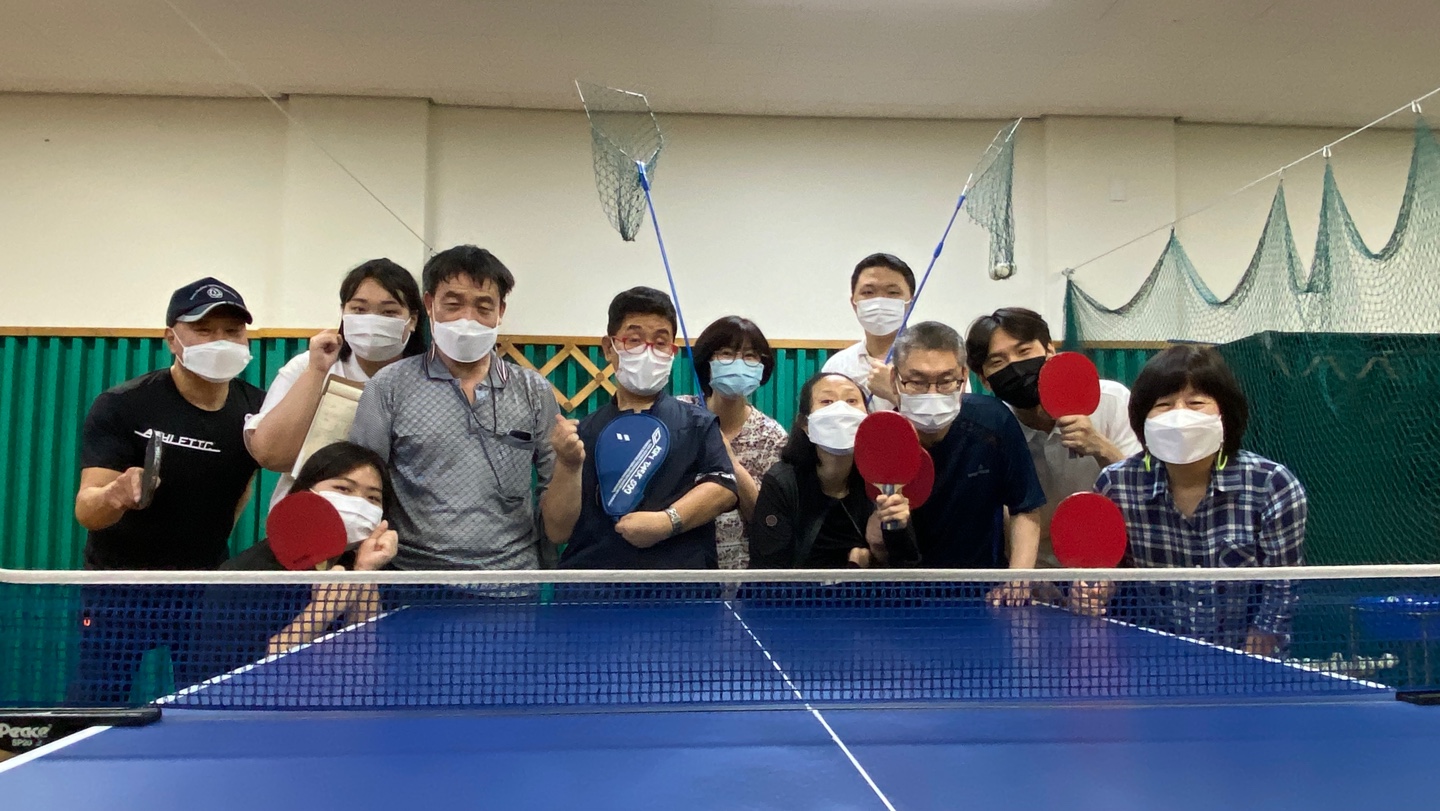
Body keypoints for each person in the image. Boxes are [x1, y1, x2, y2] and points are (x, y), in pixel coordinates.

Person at [69, 277, 266, 704]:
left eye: (232, 331)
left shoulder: (258, 409)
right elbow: (86, 510)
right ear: (171, 338)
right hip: (117, 591)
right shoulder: (123, 405)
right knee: (95, 711)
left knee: (205, 709)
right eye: (204, 329)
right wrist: (114, 496)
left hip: (202, 590)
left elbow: (243, 486)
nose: (220, 341)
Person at [348, 245, 559, 570]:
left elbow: (553, 489)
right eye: (453, 304)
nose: (467, 319)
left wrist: (571, 464)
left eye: (483, 307)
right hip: (411, 579)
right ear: (430, 304)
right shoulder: (388, 385)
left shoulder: (534, 390)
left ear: (500, 311)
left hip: (510, 584)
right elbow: (364, 485)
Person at [1091, 346, 1307, 655]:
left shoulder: (1273, 485)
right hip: (1149, 658)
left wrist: (1251, 662)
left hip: (1244, 661)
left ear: (1224, 414)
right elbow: (1111, 575)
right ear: (1142, 419)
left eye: (1196, 403)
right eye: (1164, 405)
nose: (1179, 416)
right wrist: (1093, 592)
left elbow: (1282, 587)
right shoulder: (1115, 485)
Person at [543, 287, 738, 569]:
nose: (648, 351)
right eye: (634, 340)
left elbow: (723, 487)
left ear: (672, 351)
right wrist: (568, 464)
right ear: (609, 348)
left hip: (679, 586)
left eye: (660, 342)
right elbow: (558, 531)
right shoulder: (582, 434)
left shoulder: (698, 424)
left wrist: (667, 522)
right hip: (595, 585)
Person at [966, 308, 1142, 567]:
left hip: (1116, 560)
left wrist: (1101, 447)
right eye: (998, 362)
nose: (1015, 367)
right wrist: (1026, 577)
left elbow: (1143, 488)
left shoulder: (1111, 400)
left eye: (1024, 352)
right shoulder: (993, 428)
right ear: (985, 380)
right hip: (1037, 567)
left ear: (1050, 351)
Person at [246, 259, 426, 508]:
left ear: (412, 319)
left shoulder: (429, 381)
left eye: (389, 312)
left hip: (392, 523)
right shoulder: (309, 366)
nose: (372, 320)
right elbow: (270, 455)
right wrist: (316, 372)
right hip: (307, 516)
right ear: (343, 312)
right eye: (359, 309)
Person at [889, 322, 1045, 604]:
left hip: (983, 595)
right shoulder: (882, 437)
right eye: (917, 381)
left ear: (963, 377)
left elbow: (1025, 507)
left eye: (946, 380)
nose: (932, 392)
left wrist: (1018, 578)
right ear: (895, 380)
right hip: (901, 596)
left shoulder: (994, 422)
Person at [211, 441, 399, 666]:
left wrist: (364, 572)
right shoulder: (248, 575)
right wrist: (324, 609)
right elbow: (257, 671)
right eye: (343, 489)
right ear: (304, 492)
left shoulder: (359, 563)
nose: (359, 504)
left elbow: (366, 655)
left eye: (373, 498)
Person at [749, 372, 917, 568]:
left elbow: (908, 570)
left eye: (851, 401)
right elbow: (769, 572)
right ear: (805, 424)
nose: (841, 410)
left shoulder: (883, 482)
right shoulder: (782, 483)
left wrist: (893, 535)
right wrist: (852, 570)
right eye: (827, 401)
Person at [677, 316, 788, 569]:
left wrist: (731, 463)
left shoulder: (771, 436)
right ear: (707, 362)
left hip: (742, 573)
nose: (738, 363)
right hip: (680, 567)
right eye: (726, 353)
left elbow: (767, 520)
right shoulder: (679, 415)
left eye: (750, 356)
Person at [820, 253, 915, 411]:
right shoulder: (838, 366)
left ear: (911, 302)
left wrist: (893, 393)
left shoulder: (932, 362)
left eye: (892, 293)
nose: (879, 301)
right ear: (854, 303)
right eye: (868, 292)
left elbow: (946, 422)